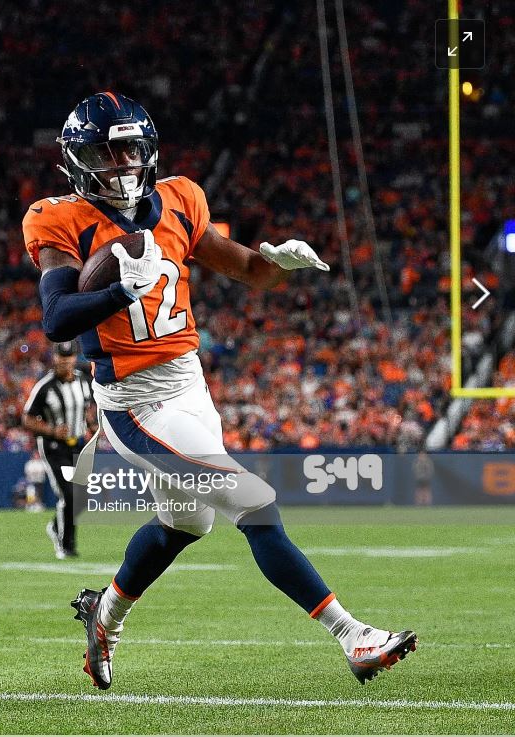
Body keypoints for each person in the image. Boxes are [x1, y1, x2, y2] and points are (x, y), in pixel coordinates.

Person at [24, 91, 416, 688]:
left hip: (189, 385)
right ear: (80, 160)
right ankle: (353, 635)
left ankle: (104, 615)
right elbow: (56, 319)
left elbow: (247, 271)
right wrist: (118, 291)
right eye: (109, 152)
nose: (125, 163)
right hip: (135, 401)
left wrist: (276, 263)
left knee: (185, 524)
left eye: (132, 149)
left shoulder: (179, 199)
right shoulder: (59, 219)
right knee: (253, 502)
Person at [22, 340, 92, 558]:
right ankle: (65, 545)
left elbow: (87, 407)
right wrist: (52, 431)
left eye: (69, 357)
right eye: (61, 357)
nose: (65, 361)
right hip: (54, 446)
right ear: (54, 358)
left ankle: (55, 526)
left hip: (79, 443)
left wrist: (91, 425)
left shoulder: (83, 381)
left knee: (81, 497)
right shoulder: (45, 386)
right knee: (68, 494)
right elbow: (27, 418)